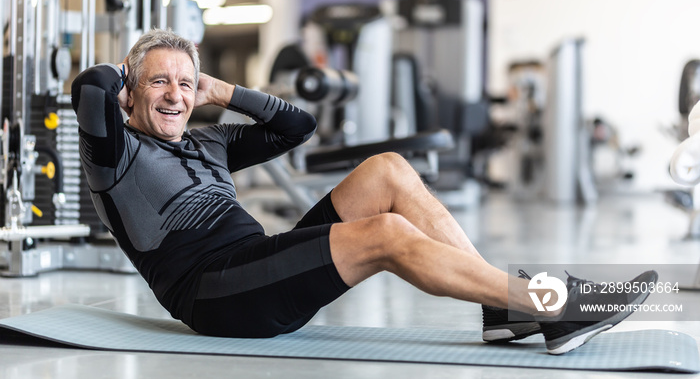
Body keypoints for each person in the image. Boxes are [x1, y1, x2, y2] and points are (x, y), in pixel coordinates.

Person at [71, 28, 656, 355]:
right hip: (215, 294)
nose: (174, 95)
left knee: (389, 169)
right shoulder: (114, 155)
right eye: (158, 82)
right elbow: (91, 85)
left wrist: (222, 90)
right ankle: (548, 303)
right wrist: (123, 81)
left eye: (184, 82)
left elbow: (298, 126)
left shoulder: (210, 141)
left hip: (256, 262)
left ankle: (502, 307)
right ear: (131, 89)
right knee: (386, 236)